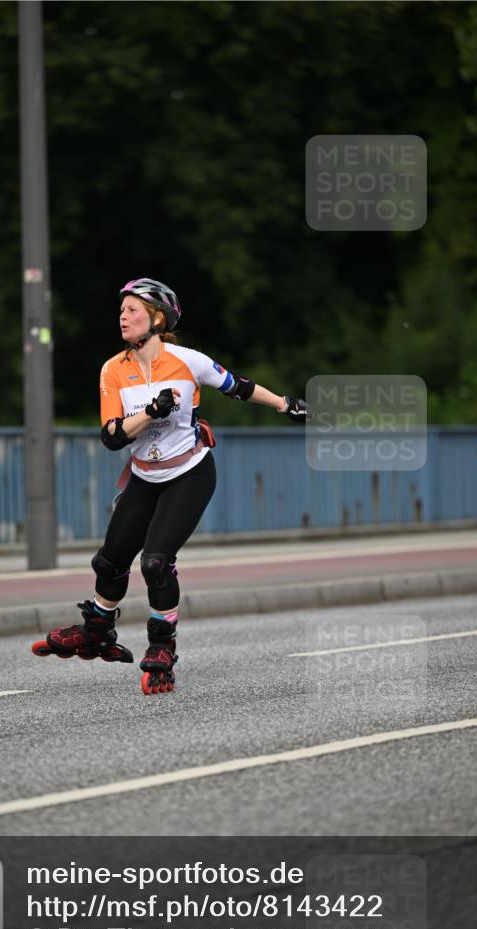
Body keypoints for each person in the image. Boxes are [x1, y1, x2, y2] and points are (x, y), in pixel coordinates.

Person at [32, 278, 311, 695]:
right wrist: (149, 411)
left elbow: (240, 386)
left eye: (132, 310)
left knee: (155, 563)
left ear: (157, 319)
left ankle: (162, 648)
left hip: (190, 474)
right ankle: (97, 629)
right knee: (108, 563)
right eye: (121, 310)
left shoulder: (188, 361)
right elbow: (111, 437)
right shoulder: (113, 370)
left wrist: (284, 404)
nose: (122, 317)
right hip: (144, 475)